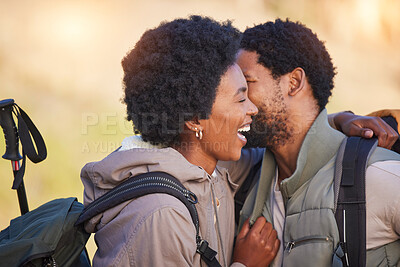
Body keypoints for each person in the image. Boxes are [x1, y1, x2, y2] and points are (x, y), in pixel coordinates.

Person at [81, 15, 396, 267]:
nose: (252, 108)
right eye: (239, 95)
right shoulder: (162, 212)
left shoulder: (222, 168)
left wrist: (336, 120)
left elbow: (298, 139)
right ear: (194, 118)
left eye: (249, 87)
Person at [232, 18, 400, 266]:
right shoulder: (247, 176)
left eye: (247, 84)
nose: (238, 100)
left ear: (294, 82)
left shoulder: (377, 175)